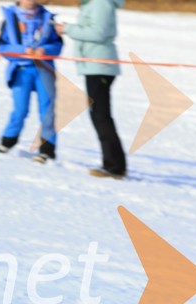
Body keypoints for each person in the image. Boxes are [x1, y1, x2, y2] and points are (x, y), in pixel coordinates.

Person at [56, 0, 127, 179]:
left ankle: (114, 167)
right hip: (94, 66)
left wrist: (68, 29)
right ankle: (115, 165)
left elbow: (99, 33)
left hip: (99, 66)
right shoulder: (91, 3)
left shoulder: (100, 3)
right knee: (99, 115)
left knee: (101, 116)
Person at [0, 0, 63, 164]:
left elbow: (57, 45)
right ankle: (8, 141)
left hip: (44, 69)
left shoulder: (47, 18)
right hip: (21, 70)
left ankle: (47, 149)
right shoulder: (10, 19)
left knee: (47, 110)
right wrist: (23, 51)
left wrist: (45, 50)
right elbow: (3, 47)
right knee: (20, 110)